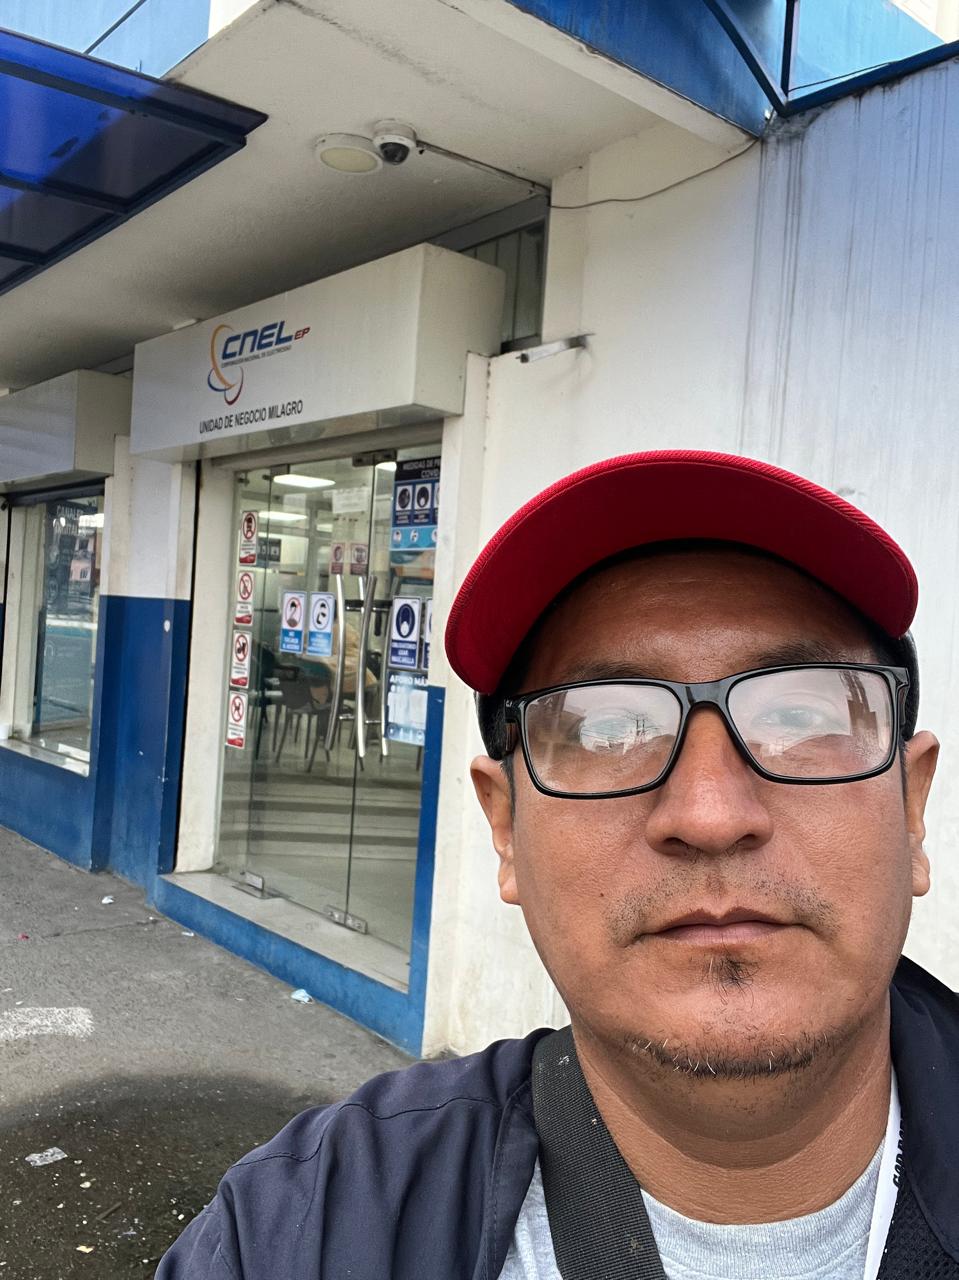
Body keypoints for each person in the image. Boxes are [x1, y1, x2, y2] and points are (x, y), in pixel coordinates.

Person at [157, 450, 957, 1280]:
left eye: (797, 716)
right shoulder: (303, 1225)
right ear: (505, 829)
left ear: (910, 809)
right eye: (607, 730)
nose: (710, 816)